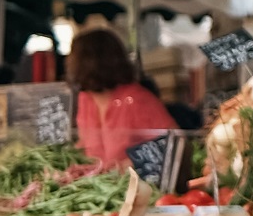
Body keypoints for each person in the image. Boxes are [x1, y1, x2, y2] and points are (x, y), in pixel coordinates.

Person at [67, 27, 175, 166]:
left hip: (135, 184)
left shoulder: (137, 100)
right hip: (97, 183)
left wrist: (129, 164)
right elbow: (85, 144)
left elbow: (173, 144)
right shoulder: (86, 99)